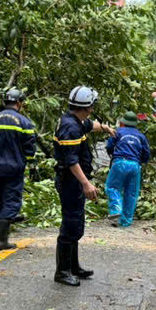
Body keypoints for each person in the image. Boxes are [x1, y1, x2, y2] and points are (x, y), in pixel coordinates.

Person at [51, 86, 114, 286]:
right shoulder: (70, 127)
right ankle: (62, 271)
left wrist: (106, 128)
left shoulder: (74, 121)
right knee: (71, 225)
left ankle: (73, 266)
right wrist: (86, 184)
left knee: (76, 223)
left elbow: (90, 125)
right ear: (88, 107)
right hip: (71, 182)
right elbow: (71, 161)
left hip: (74, 182)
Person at [0, 87, 38, 250]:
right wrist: (33, 166)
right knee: (11, 201)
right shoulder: (24, 123)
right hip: (14, 169)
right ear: (19, 103)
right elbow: (29, 148)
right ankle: (3, 241)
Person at [105, 111, 150, 228]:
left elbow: (109, 146)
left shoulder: (118, 131)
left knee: (112, 187)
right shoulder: (141, 136)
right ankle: (125, 221)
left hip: (120, 162)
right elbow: (146, 154)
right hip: (135, 165)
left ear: (123, 123)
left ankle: (116, 209)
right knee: (131, 193)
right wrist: (141, 161)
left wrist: (112, 153)